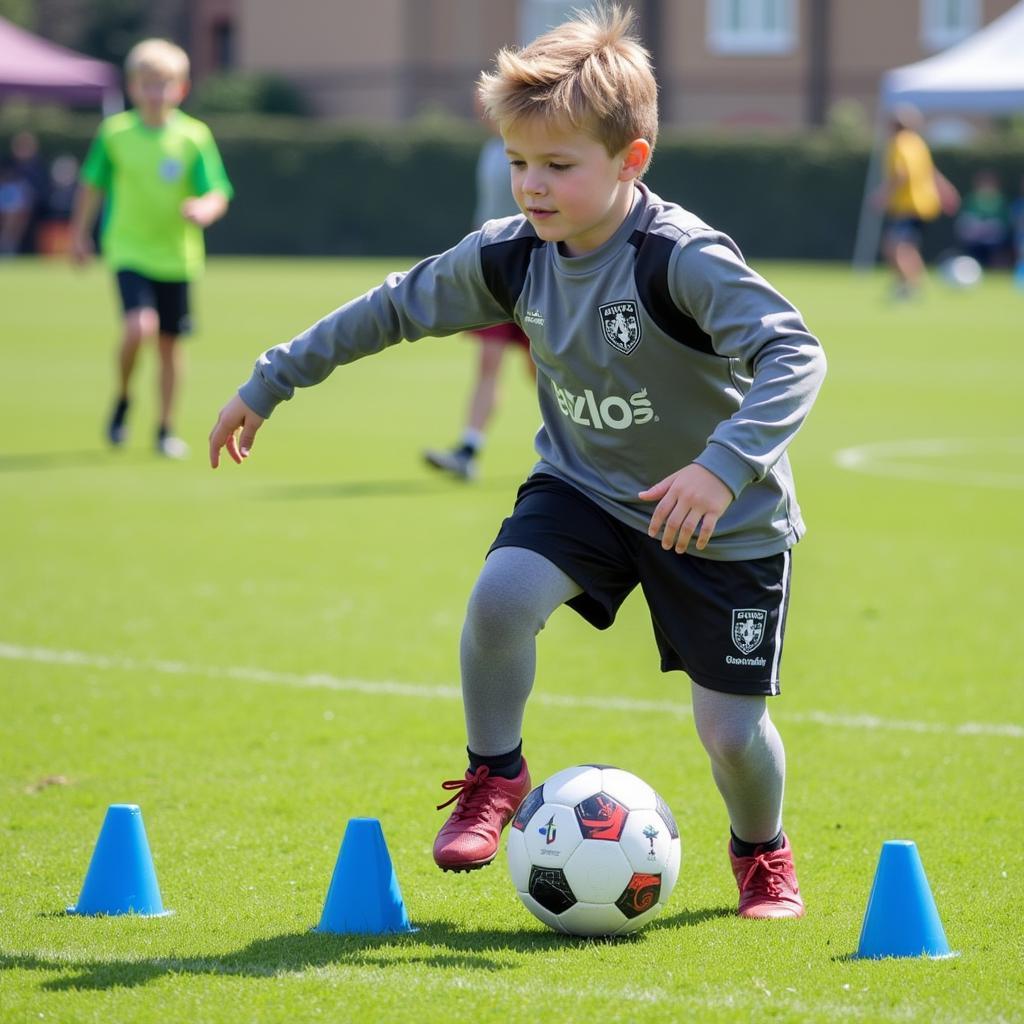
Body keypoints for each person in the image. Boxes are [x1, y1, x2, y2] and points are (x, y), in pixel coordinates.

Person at [209, 5, 826, 919]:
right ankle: (495, 774)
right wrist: (271, 380)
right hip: (583, 489)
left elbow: (795, 352)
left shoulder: (678, 259)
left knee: (730, 733)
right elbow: (391, 307)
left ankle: (761, 852)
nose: (531, 187)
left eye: (557, 167)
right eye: (517, 164)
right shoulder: (509, 256)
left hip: (718, 517)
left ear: (631, 161)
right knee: (500, 600)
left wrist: (722, 465)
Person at [70, 38, 233, 458]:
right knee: (137, 327)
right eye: (147, 83)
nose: (156, 92)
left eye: (164, 84)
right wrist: (78, 235)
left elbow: (217, 190)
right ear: (132, 86)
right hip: (127, 249)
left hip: (177, 255)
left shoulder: (194, 136)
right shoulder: (115, 134)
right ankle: (124, 398)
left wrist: (204, 208)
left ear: (181, 87)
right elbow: (92, 185)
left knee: (168, 344)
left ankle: (165, 427)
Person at [423, 117, 535, 481]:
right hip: (496, 273)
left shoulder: (537, 146)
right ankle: (468, 449)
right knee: (489, 361)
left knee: (546, 369)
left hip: (535, 269)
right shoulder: (491, 150)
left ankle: (588, 446)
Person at [874, 105, 959, 299]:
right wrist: (947, 191)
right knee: (908, 248)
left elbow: (900, 174)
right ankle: (915, 286)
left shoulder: (898, 143)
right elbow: (932, 171)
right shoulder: (917, 143)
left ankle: (907, 287)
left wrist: (883, 194)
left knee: (894, 247)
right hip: (926, 205)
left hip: (908, 205)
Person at [0, 131, 47, 256]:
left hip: (26, 204)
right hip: (5, 201)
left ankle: (7, 245)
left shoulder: (38, 166)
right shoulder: (7, 162)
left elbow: (39, 189)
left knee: (16, 211)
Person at [954, 170, 1011, 268]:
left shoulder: (1001, 201)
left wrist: (991, 228)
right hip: (975, 238)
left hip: (995, 238)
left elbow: (1005, 223)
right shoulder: (970, 200)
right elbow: (965, 220)